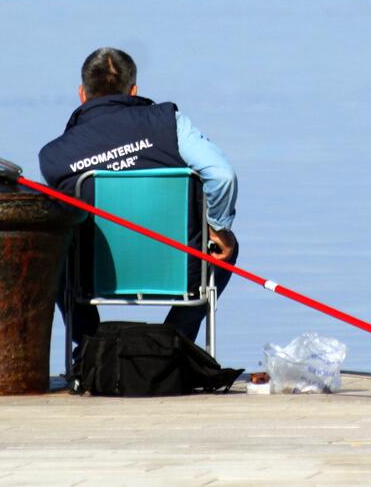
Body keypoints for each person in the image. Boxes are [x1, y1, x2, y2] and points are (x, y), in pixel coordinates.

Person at [39, 47, 238, 350]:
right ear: (134, 90)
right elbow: (222, 176)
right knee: (225, 246)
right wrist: (218, 228)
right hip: (180, 272)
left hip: (92, 277)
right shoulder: (169, 123)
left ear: (82, 94)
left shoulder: (53, 157)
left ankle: (91, 347)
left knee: (55, 249)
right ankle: (174, 344)